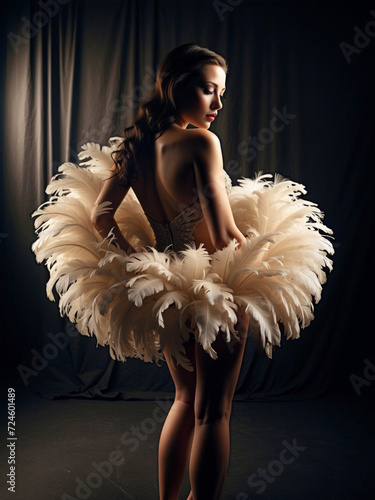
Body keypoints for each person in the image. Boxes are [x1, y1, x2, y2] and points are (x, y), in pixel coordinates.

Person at [32, 44, 333, 500]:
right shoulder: (201, 143)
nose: (217, 105)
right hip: (216, 291)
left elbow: (99, 217)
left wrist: (138, 264)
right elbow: (224, 232)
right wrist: (263, 262)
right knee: (215, 412)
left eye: (223, 94)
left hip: (170, 291)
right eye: (208, 90)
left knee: (185, 400)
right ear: (176, 85)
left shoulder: (137, 147)